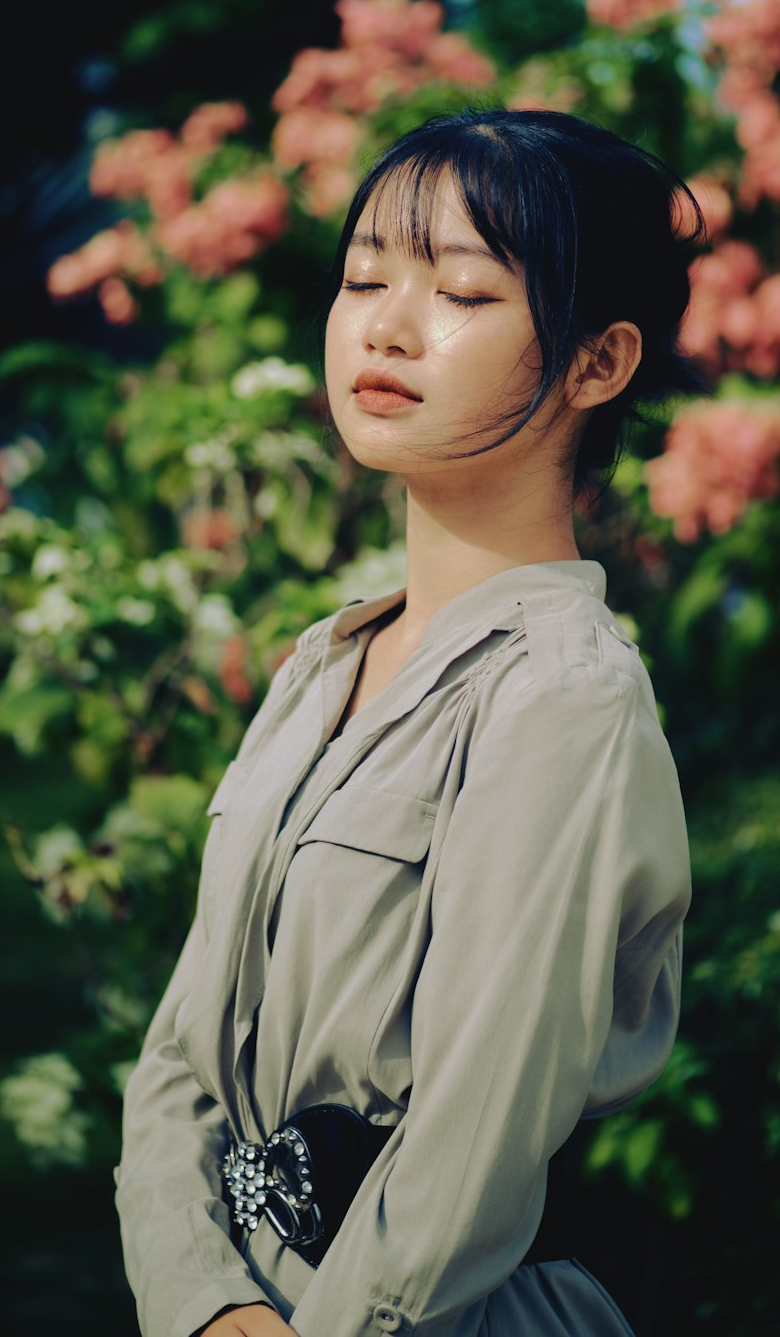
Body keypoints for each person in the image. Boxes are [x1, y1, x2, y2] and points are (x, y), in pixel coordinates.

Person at [114, 107, 707, 1337]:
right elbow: (179, 1061)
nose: (384, 325)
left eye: (465, 294)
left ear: (598, 363)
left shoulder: (563, 697)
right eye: (364, 278)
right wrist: (205, 1306)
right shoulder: (319, 666)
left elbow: (476, 1135)